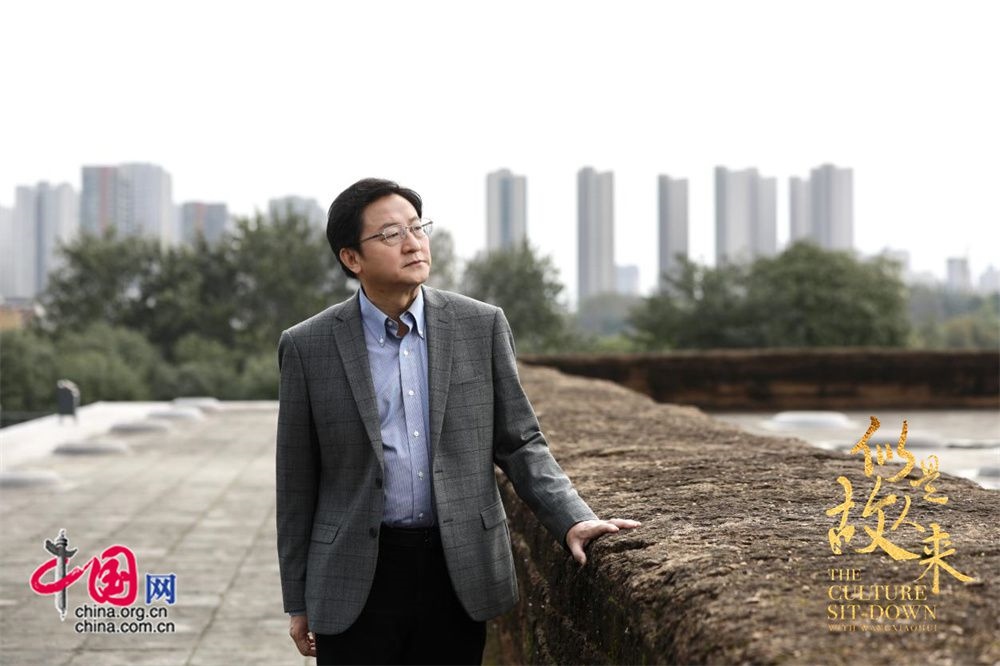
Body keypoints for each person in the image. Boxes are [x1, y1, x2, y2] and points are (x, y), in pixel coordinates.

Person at [276, 178, 640, 665]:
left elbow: (520, 442)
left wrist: (573, 518)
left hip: (456, 569)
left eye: (417, 227)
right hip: (353, 576)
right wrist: (298, 600)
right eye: (390, 234)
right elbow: (296, 480)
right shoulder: (308, 345)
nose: (412, 243)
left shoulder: (479, 325)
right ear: (351, 258)